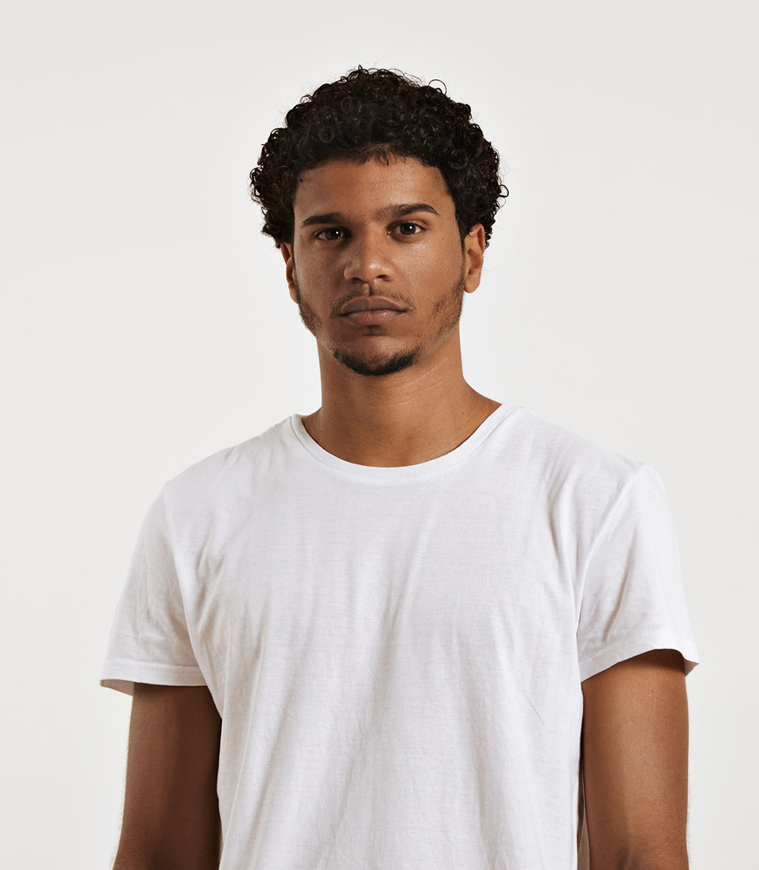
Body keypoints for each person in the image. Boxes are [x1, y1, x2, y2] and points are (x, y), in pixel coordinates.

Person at [100, 67, 700, 870]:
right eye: (331, 233)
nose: (368, 265)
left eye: (407, 228)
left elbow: (641, 852)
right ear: (290, 265)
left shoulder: (594, 500)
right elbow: (158, 852)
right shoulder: (200, 514)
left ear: (472, 253)